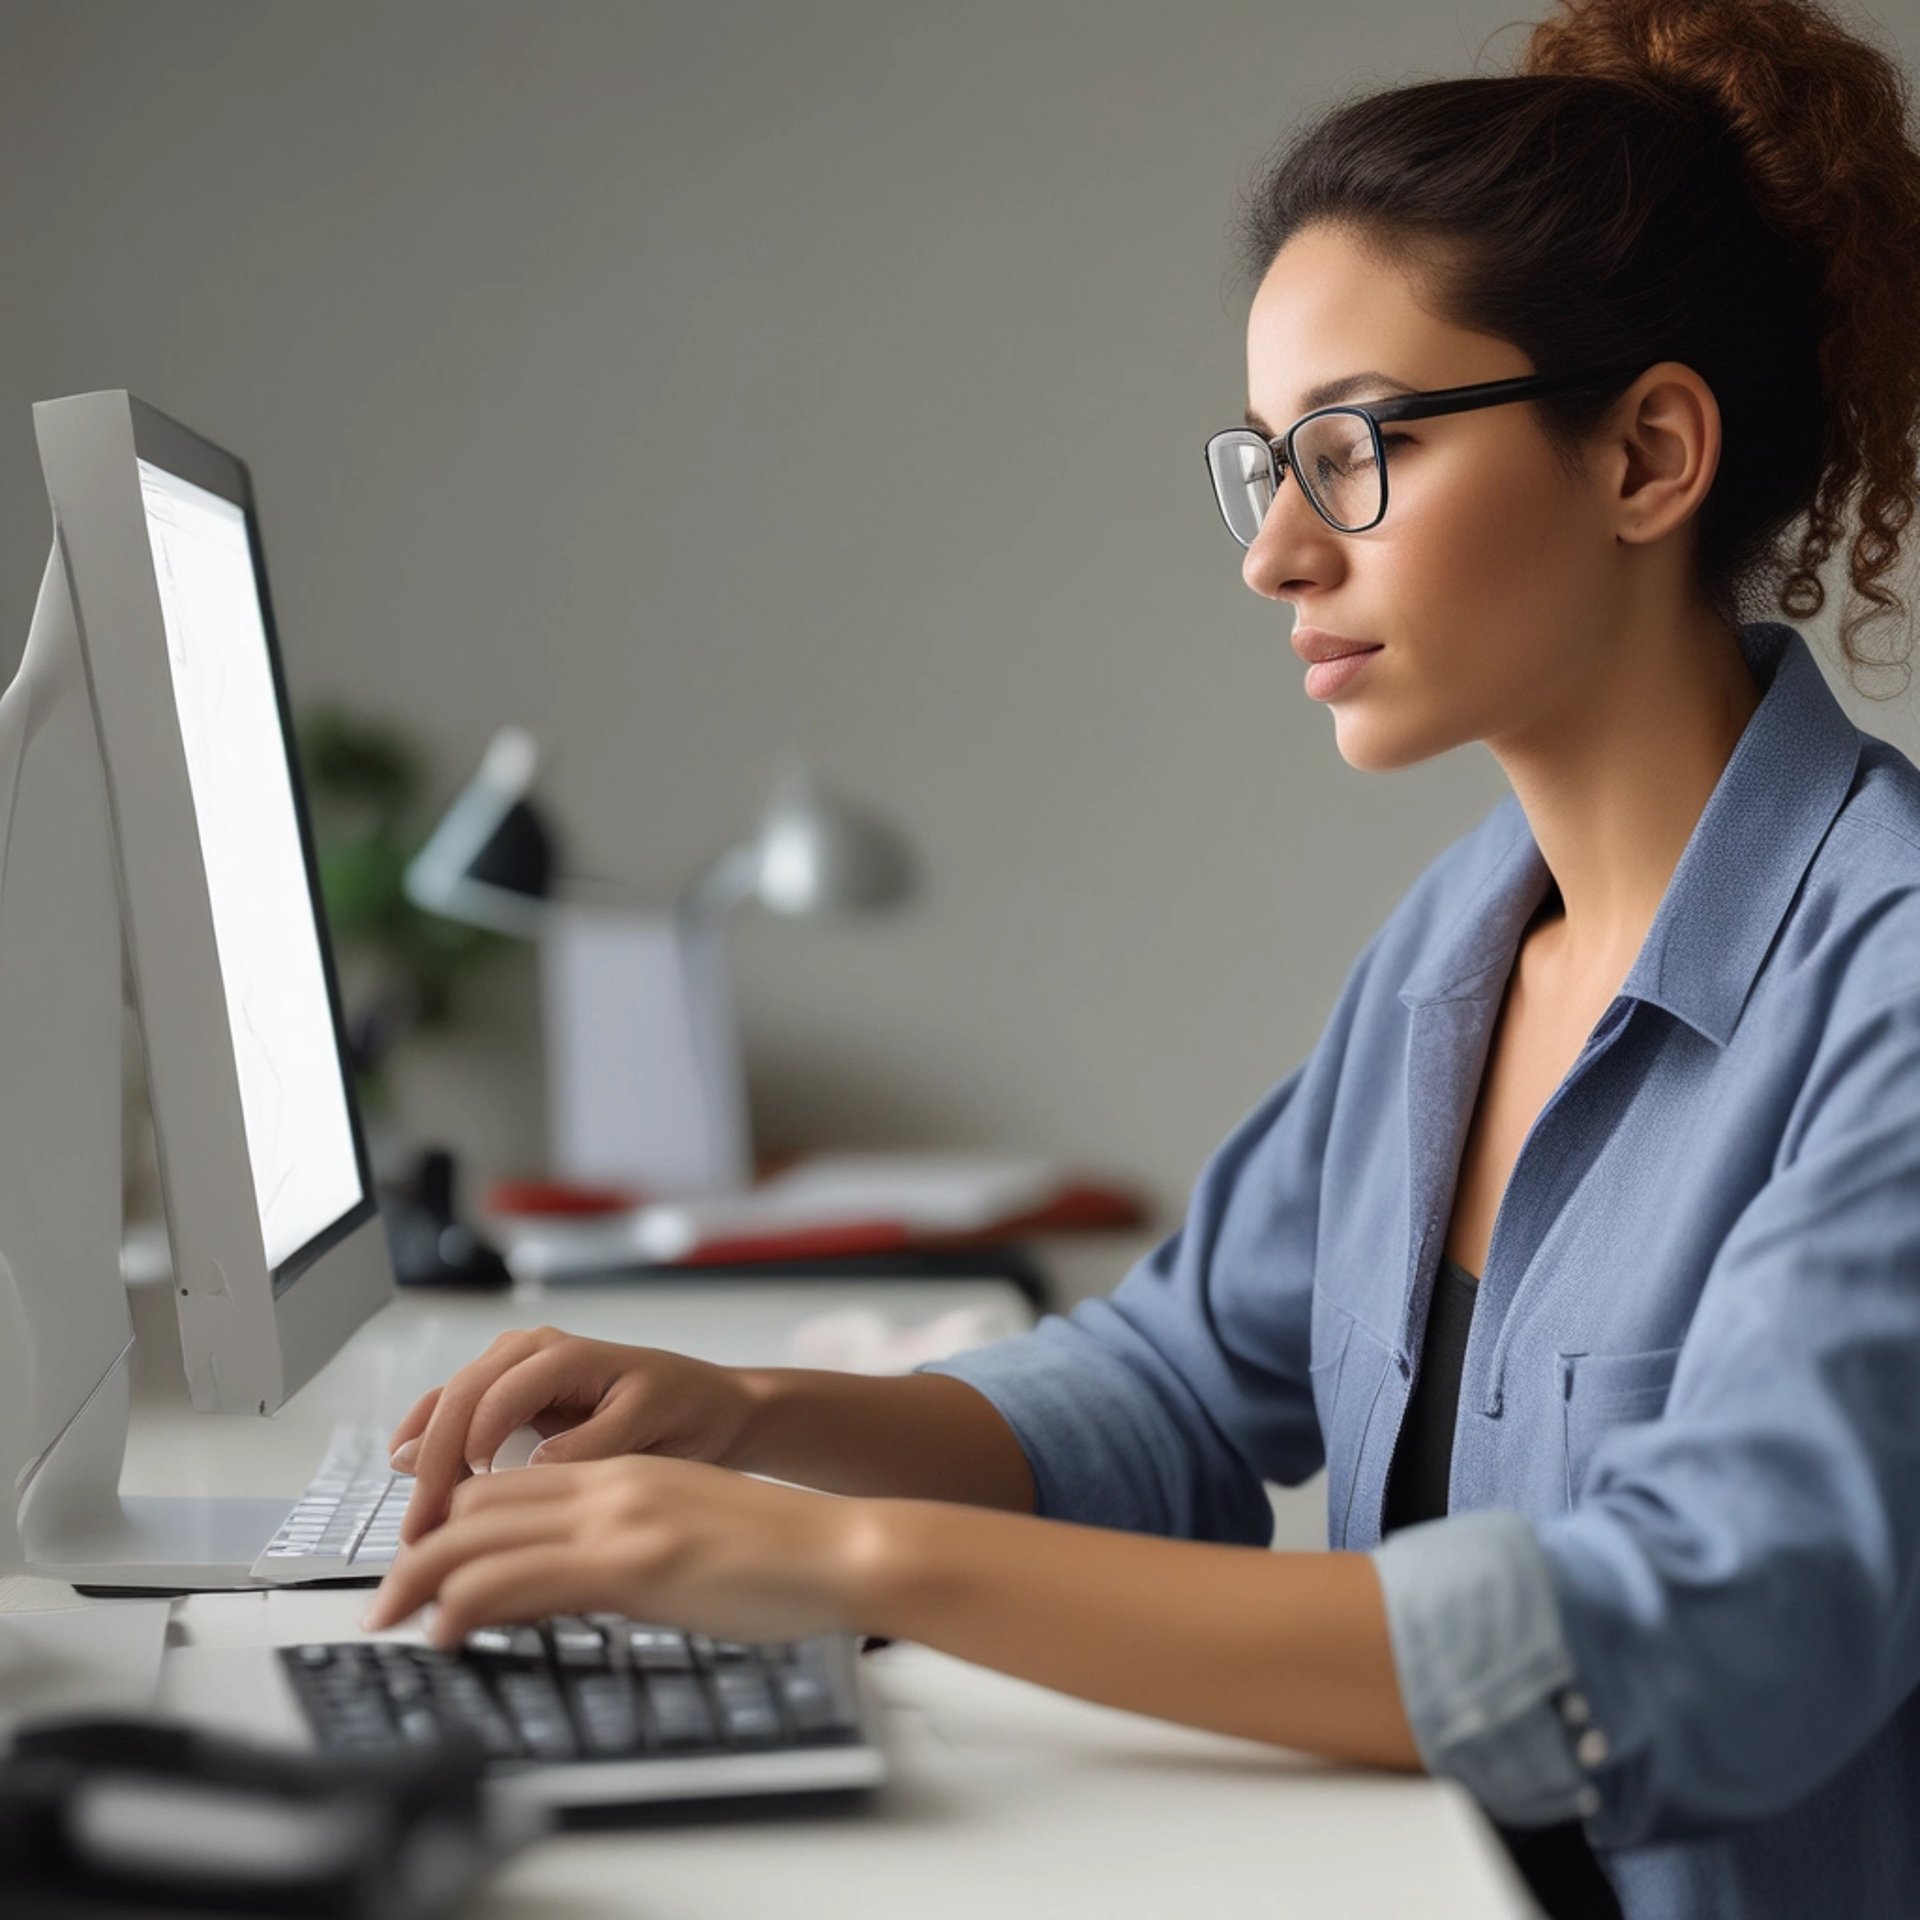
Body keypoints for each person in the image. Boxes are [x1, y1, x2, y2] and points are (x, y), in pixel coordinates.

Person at [362, 1, 1920, 1912]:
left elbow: (1703, 1639)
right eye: (1264, 461)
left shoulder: (1892, 990)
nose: (1275, 550)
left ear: (1649, 454)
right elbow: (1182, 1386)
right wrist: (749, 1417)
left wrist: (850, 1569)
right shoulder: (1456, 947)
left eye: (1348, 450)